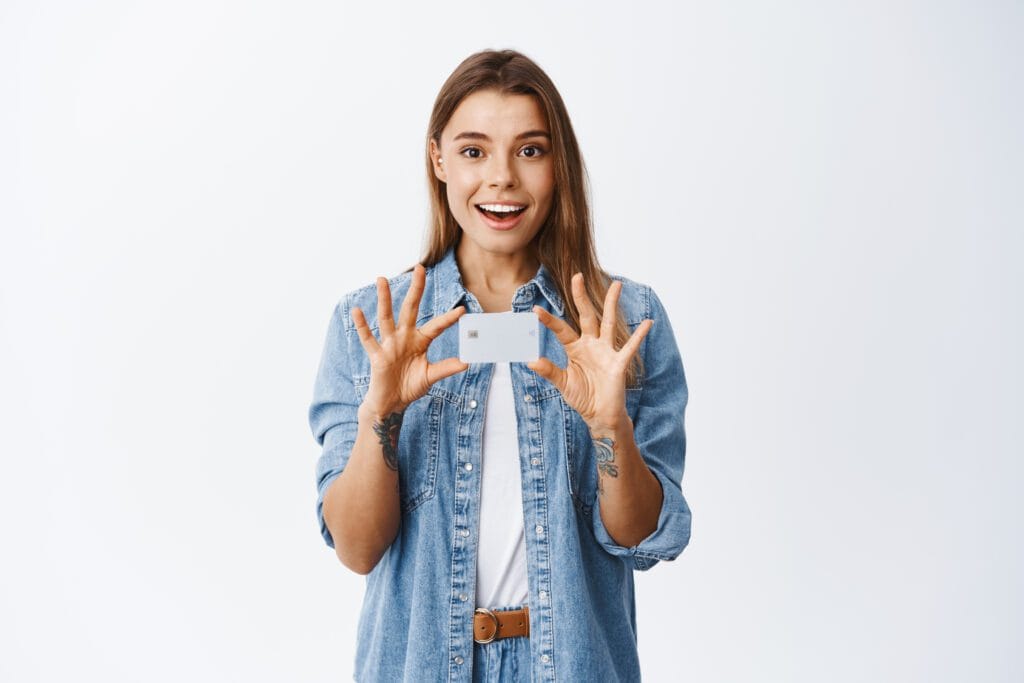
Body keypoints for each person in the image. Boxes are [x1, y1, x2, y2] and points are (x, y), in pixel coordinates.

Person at [309, 48, 691, 682]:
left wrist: (609, 427)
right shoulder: (372, 327)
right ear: (438, 160)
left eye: (531, 150)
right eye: (473, 151)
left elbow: (637, 538)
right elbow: (356, 547)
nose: (502, 178)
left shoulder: (621, 319)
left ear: (558, 165)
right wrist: (383, 413)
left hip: (571, 665)